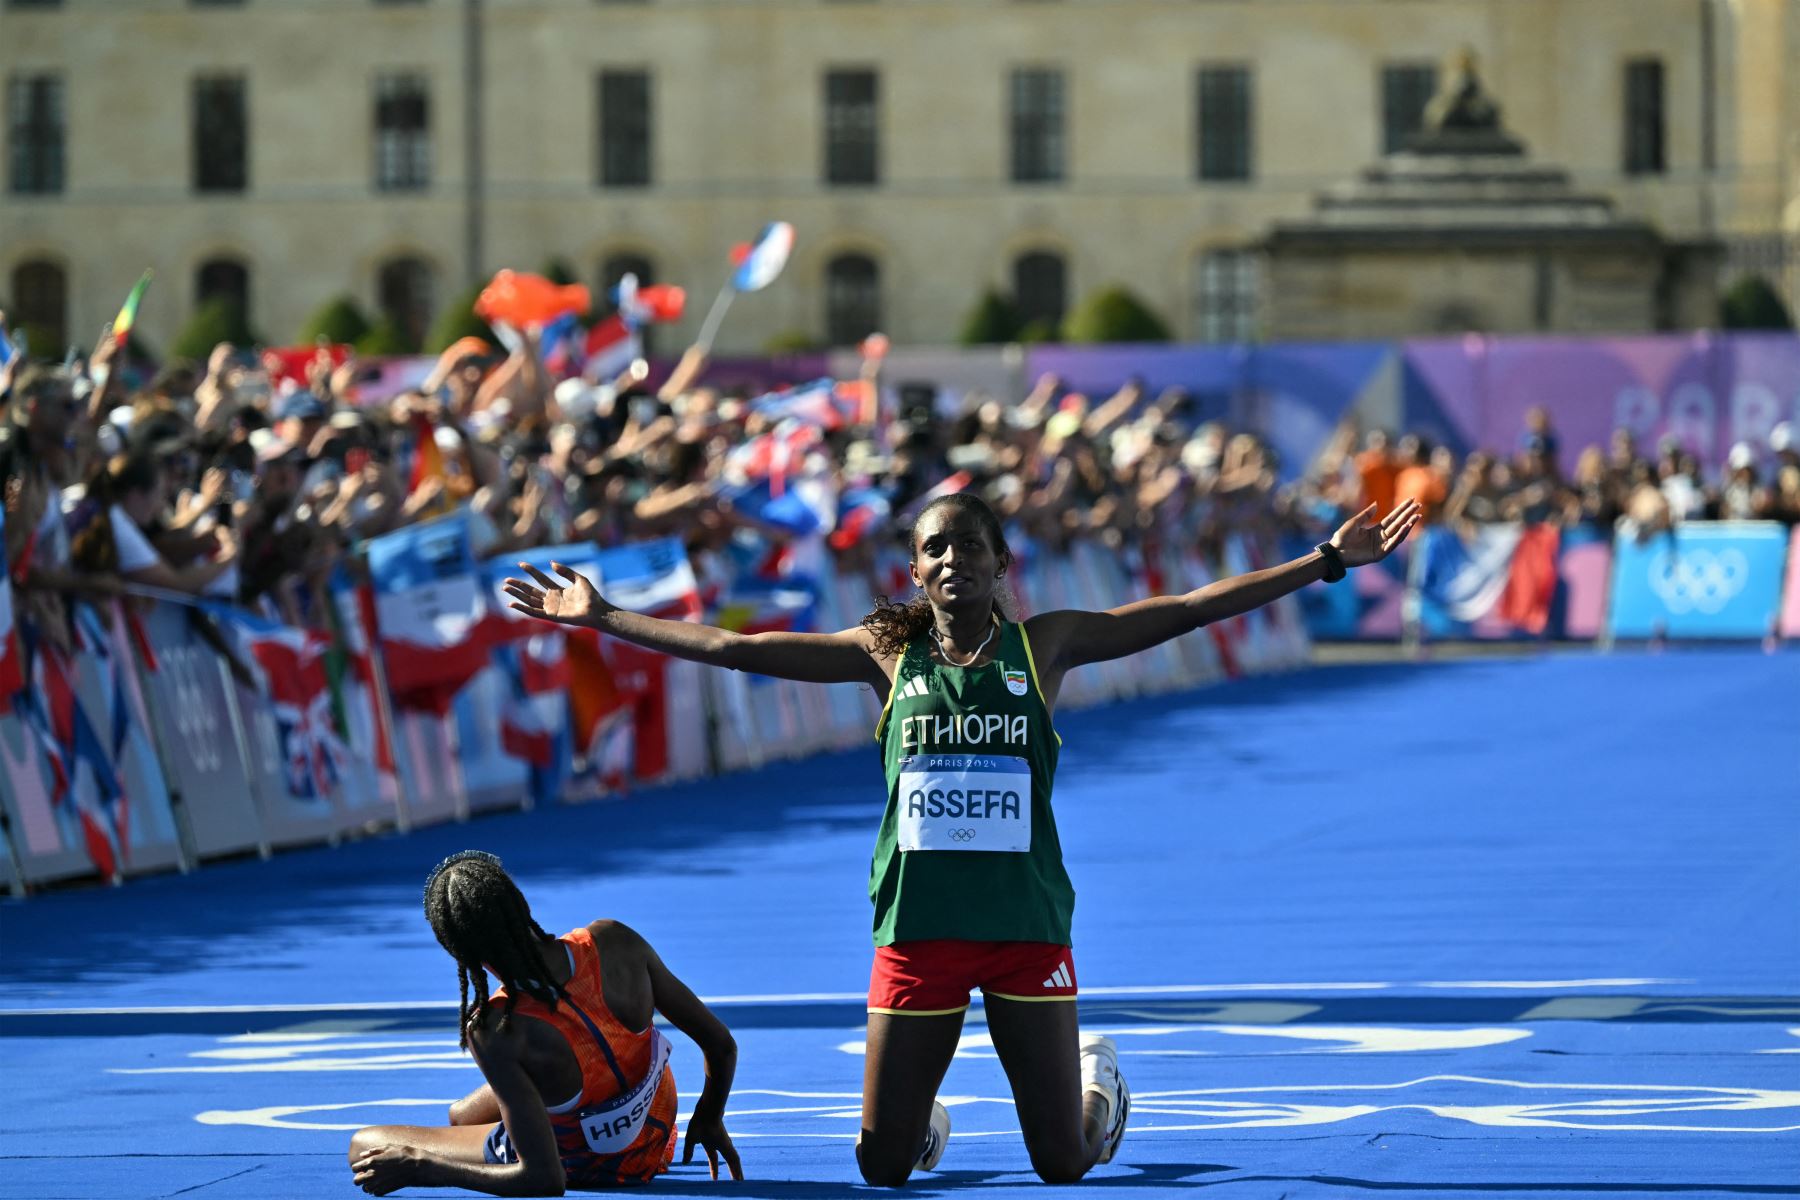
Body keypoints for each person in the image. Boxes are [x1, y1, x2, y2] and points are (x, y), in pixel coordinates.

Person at [503, 491, 1422, 1186]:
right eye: (935, 548)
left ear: (1000, 563)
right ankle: (921, 1115)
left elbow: (1185, 611)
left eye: (969, 546)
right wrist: (605, 618)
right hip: (918, 935)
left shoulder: (1045, 647)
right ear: (914, 571)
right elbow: (738, 652)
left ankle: (1097, 1082)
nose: (953, 560)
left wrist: (1323, 561)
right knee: (885, 1169)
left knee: (1061, 1164)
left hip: (1025, 930)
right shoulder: (884, 654)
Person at [348, 850, 742, 1196]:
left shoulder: (495, 1027)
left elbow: (543, 1179)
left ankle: (535, 1111)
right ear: (520, 905)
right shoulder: (615, 940)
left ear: (460, 950)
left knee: (363, 1144)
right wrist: (709, 1116)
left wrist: (424, 1167)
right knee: (461, 1116)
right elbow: (721, 1045)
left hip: (592, 1165)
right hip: (655, 1133)